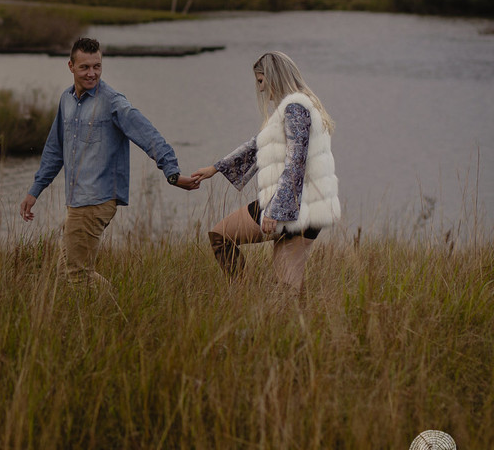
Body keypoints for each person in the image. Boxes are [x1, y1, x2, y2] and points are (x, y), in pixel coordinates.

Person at [19, 37, 199, 285]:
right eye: (85, 67)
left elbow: (148, 134)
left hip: (97, 199)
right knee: (69, 272)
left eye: (97, 66)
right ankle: (112, 309)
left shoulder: (113, 102)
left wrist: (172, 173)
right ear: (70, 66)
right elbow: (54, 150)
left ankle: (119, 319)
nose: (92, 73)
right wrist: (35, 191)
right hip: (76, 200)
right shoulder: (66, 100)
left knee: (76, 275)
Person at [190, 51, 340, 292]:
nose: (260, 89)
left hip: (292, 204)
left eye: (261, 81)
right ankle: (294, 325)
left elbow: (295, 162)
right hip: (312, 206)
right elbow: (257, 144)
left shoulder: (294, 109)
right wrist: (215, 169)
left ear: (274, 76)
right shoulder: (300, 106)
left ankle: (240, 294)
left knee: (220, 237)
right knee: (288, 287)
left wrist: (275, 210)